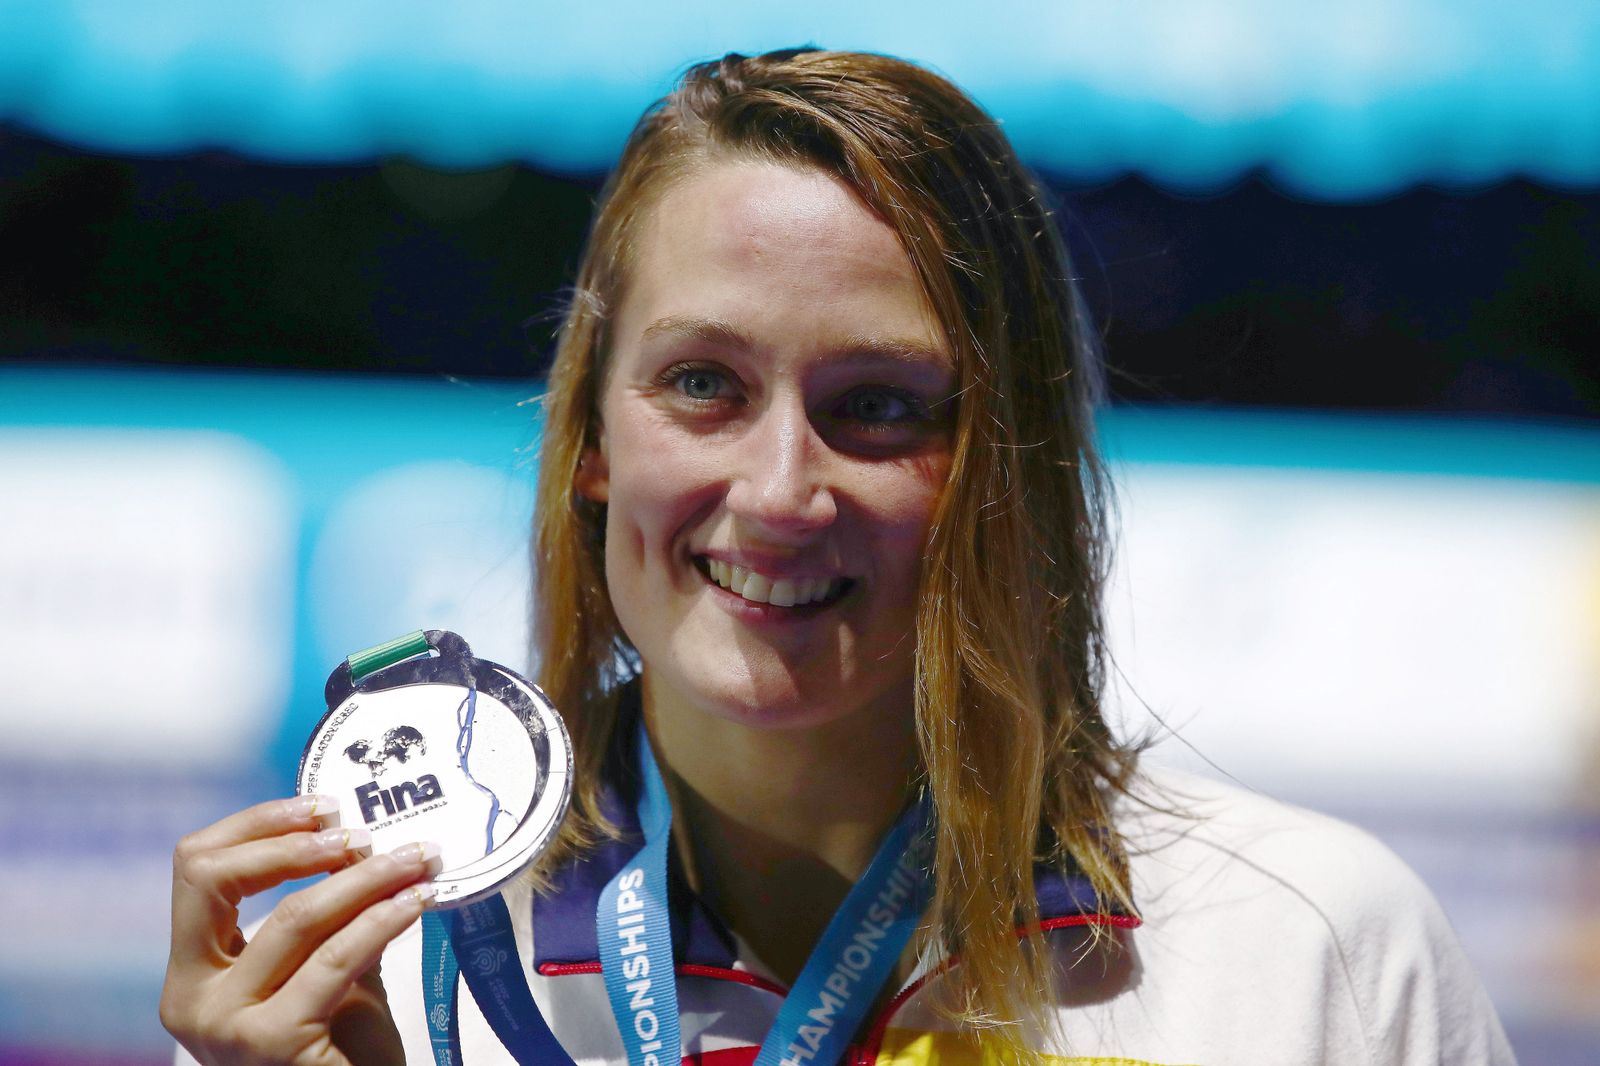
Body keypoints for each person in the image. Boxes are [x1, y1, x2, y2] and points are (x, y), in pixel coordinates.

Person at [162, 48, 1517, 1066]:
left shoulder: (1306, 955)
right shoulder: (372, 988)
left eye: (878, 405)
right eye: (702, 382)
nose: (781, 490)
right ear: (590, 438)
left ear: (1011, 465)